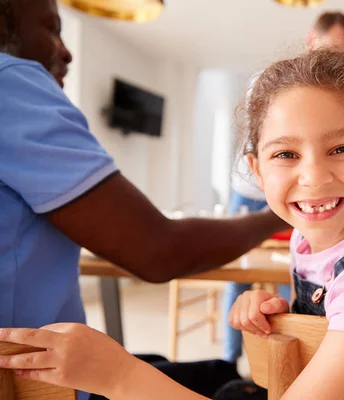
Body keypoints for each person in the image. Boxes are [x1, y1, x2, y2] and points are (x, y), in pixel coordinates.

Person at [0, 50, 344, 400]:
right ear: (256, 169)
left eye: (342, 148)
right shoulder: (316, 242)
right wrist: (290, 322)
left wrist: (118, 374)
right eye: (285, 154)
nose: (313, 176)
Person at [0, 0, 285, 398]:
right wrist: (282, 213)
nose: (66, 50)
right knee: (234, 386)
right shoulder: (12, 84)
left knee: (201, 368)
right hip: (31, 384)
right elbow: (159, 251)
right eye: (51, 29)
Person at [222, 10, 344, 366]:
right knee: (239, 272)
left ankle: (299, 341)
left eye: (341, 149)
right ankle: (230, 356)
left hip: (293, 198)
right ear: (312, 39)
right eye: (335, 47)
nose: (314, 175)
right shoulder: (275, 83)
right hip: (252, 193)